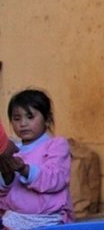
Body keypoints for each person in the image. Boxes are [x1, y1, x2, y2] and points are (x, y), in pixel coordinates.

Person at [0, 89, 74, 230]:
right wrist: (6, 175)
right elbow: (2, 192)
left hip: (49, 222)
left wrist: (24, 169)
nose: (23, 123)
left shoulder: (56, 145)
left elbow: (56, 180)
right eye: (17, 118)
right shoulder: (11, 149)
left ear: (46, 119)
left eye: (30, 117)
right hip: (13, 221)